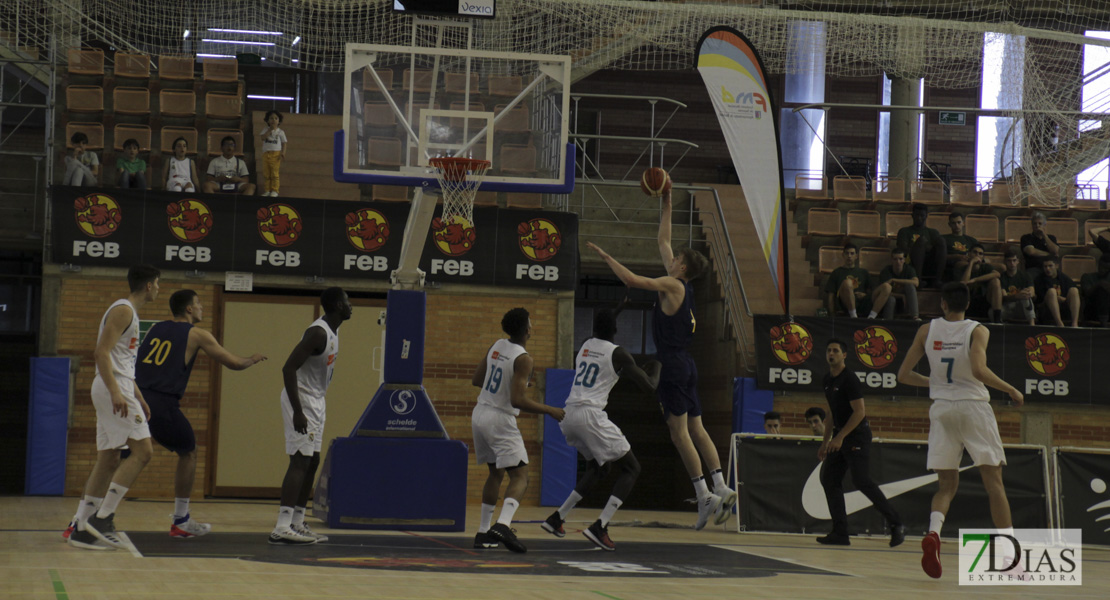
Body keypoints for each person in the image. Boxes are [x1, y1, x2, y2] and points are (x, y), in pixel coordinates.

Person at [586, 190, 736, 530]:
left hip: (671, 365)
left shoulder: (672, 284)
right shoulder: (683, 286)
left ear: (680, 265)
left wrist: (607, 256)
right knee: (697, 427)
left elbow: (632, 280)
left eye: (674, 257)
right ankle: (721, 485)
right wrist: (667, 202)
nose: (668, 257)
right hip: (687, 364)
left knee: (678, 432)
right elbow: (663, 238)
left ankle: (703, 494)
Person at [896, 282, 1024, 579]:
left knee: (946, 486)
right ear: (968, 304)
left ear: (942, 304)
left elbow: (903, 375)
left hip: (941, 409)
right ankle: (1011, 554)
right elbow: (979, 370)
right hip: (973, 407)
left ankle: (933, 532)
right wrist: (1011, 389)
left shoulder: (926, 330)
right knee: (994, 482)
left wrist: (939, 383)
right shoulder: (977, 329)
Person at [134, 289, 266, 537]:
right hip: (161, 403)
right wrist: (253, 358)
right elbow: (234, 363)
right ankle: (181, 520)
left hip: (136, 397)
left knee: (116, 457)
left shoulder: (155, 329)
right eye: (199, 303)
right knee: (189, 452)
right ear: (189, 309)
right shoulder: (197, 334)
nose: (202, 307)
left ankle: (84, 517)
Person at [541, 308, 661, 551]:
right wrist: (656, 366)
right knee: (631, 468)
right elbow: (649, 387)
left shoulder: (586, 345)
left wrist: (617, 308)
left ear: (593, 328)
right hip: (590, 416)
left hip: (569, 414)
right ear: (615, 330)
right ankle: (600, 526)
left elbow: (604, 329)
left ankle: (557, 518)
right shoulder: (619, 354)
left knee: (600, 467)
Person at [67, 265, 160, 551]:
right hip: (111, 388)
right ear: (148, 285)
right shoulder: (124, 310)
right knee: (143, 452)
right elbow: (101, 353)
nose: (158, 288)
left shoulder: (129, 312)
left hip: (116, 385)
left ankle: (81, 527)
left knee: (108, 459)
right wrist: (116, 392)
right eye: (157, 284)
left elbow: (122, 362)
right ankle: (103, 517)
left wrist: (138, 395)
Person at [471, 307, 565, 553]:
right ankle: (502, 525)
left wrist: (511, 381)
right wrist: (550, 410)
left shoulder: (496, 345)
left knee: (496, 474)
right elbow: (517, 401)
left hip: (480, 413)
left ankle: (483, 533)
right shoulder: (524, 358)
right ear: (526, 329)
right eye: (531, 323)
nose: (532, 326)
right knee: (521, 476)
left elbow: (477, 379)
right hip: (500, 419)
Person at [269, 287, 352, 545]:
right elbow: (288, 368)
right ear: (338, 304)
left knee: (313, 461)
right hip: (302, 398)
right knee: (300, 461)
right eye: (348, 301)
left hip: (317, 400)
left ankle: (297, 520)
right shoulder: (318, 333)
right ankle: (281, 525)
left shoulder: (334, 331)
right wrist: (297, 411)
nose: (352, 306)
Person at [817, 338, 905, 547]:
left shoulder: (850, 379)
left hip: (856, 436)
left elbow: (859, 412)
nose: (831, 354)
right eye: (829, 350)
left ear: (844, 355)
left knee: (861, 480)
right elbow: (830, 413)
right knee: (829, 479)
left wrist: (840, 438)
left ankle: (896, 523)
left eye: (836, 351)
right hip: (839, 436)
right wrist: (825, 441)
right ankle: (840, 533)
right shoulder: (828, 380)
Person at [895, 203, 946, 287]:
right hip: (911, 262)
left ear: (926, 216)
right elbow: (903, 249)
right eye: (917, 215)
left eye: (922, 215)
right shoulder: (904, 231)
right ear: (912, 215)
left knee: (941, 240)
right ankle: (918, 280)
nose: (919, 218)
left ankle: (938, 280)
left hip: (930, 263)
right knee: (921, 241)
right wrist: (919, 247)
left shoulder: (933, 232)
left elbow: (938, 249)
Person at [870, 247, 919, 320]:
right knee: (891, 299)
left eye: (900, 259)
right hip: (891, 301)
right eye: (895, 259)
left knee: (910, 286)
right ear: (891, 260)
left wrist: (894, 280)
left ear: (904, 260)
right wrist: (901, 295)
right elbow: (882, 293)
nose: (898, 262)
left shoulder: (909, 269)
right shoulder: (886, 271)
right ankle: (888, 322)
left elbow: (916, 283)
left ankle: (915, 317)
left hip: (906, 302)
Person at [824, 243, 872, 318]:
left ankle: (871, 316)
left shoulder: (864, 272)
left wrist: (865, 296)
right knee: (848, 282)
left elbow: (871, 293)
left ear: (856, 256)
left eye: (852, 253)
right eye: (847, 253)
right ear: (843, 255)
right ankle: (853, 315)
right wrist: (832, 314)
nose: (849, 256)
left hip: (862, 306)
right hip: (843, 305)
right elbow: (831, 295)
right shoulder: (836, 272)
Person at [961, 244, 1003, 323]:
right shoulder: (961, 267)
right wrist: (971, 263)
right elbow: (964, 283)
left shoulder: (986, 267)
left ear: (983, 257)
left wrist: (975, 280)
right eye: (975, 252)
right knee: (964, 287)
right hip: (967, 303)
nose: (977, 255)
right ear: (969, 254)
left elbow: (997, 274)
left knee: (996, 281)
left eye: (980, 254)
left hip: (984, 302)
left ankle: (997, 319)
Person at [1034, 257, 1080, 328]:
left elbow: (1072, 294)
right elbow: (1040, 298)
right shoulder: (1039, 279)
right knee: (1052, 292)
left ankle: (1074, 324)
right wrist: (1056, 297)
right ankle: (1060, 324)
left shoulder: (1064, 278)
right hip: (1046, 309)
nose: (1047, 269)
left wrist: (1063, 299)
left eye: (1050, 266)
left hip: (1064, 307)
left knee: (1074, 290)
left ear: (1056, 265)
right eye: (1045, 266)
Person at [998, 249, 1036, 325]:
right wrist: (1016, 296)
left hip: (1022, 307)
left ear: (1018, 261)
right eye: (1009, 261)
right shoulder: (1001, 277)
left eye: (1014, 260)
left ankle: (1032, 326)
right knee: (991, 312)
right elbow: (1004, 297)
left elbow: (1032, 293)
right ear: (1005, 262)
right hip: (1007, 307)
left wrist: (1023, 295)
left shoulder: (1026, 275)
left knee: (1026, 297)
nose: (1012, 263)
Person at [1020, 211, 1059, 279]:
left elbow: (1055, 250)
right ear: (1032, 225)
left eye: (1040, 223)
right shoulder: (1026, 238)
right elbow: (1031, 251)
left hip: (1050, 268)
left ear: (1044, 225)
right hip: (1034, 268)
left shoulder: (1051, 238)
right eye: (1035, 223)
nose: (1037, 226)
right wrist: (1049, 255)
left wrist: (1044, 235)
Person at [942, 212, 978, 281]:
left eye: (959, 222)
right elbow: (939, 256)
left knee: (1002, 267)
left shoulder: (972, 240)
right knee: (963, 264)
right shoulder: (943, 239)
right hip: (953, 265)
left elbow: (979, 253)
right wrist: (957, 256)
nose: (956, 225)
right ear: (949, 225)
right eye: (953, 223)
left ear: (963, 223)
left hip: (972, 262)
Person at [259, 110, 288, 197]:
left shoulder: (280, 132)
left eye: (276, 118)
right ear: (267, 120)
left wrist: (283, 152)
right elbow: (263, 138)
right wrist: (269, 131)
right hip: (266, 154)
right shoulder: (265, 130)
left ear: (279, 121)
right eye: (271, 118)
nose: (273, 120)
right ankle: (267, 190)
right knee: (266, 173)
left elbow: (284, 143)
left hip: (276, 154)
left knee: (274, 173)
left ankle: (275, 190)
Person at [1079, 252, 1110, 327]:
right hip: (1092, 310)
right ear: (1098, 265)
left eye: (1106, 268)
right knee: (1101, 291)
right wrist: (1099, 284)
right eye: (1101, 266)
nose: (1102, 270)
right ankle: (1104, 325)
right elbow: (1086, 293)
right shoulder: (1087, 277)